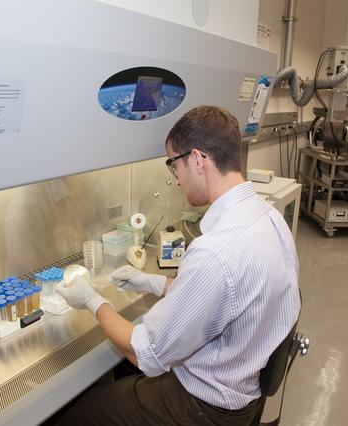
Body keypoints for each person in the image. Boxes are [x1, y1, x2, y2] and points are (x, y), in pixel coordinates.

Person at [56, 105, 301, 425]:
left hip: (206, 408)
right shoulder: (269, 217)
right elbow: (230, 295)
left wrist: (92, 300)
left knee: (83, 413)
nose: (176, 180)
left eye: (174, 165)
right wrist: (153, 282)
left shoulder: (214, 251)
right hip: (244, 391)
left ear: (197, 159)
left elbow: (144, 353)